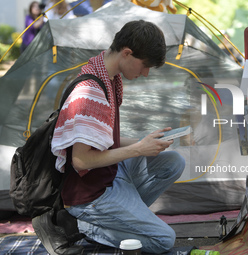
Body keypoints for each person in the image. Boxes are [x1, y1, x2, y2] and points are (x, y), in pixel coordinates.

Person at [33, 20, 185, 255]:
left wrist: (144, 141)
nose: (145, 74)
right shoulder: (90, 92)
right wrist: (138, 150)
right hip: (90, 194)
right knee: (164, 239)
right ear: (127, 53)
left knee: (174, 162)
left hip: (112, 174)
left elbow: (106, 142)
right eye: (145, 66)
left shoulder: (107, 77)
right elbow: (81, 161)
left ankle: (120, 217)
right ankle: (81, 225)